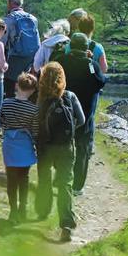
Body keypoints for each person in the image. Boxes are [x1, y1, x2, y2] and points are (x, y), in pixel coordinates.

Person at [34, 62, 85, 243]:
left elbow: (34, 121)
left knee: (45, 177)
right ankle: (66, 225)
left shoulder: (40, 98)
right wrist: (68, 132)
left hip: (45, 146)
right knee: (65, 184)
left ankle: (42, 210)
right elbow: (82, 119)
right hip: (66, 147)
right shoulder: (70, 96)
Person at [60, 32, 107, 195]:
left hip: (63, 111)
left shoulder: (61, 61)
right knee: (83, 149)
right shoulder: (91, 65)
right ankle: (77, 187)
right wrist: (91, 60)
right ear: (87, 48)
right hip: (85, 114)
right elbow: (100, 82)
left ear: (71, 46)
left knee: (60, 145)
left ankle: (60, 178)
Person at [0, 71, 39, 224]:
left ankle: (13, 211)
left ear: (17, 86)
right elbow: (35, 131)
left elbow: (2, 122)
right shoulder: (33, 110)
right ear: (33, 90)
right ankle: (23, 208)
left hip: (10, 144)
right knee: (24, 179)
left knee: (11, 179)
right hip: (25, 145)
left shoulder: (6, 103)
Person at [1, 0, 40, 99]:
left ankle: (7, 109)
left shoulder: (8, 20)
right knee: (23, 83)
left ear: (9, 3)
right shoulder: (33, 18)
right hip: (30, 58)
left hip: (14, 57)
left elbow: (2, 43)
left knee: (8, 85)